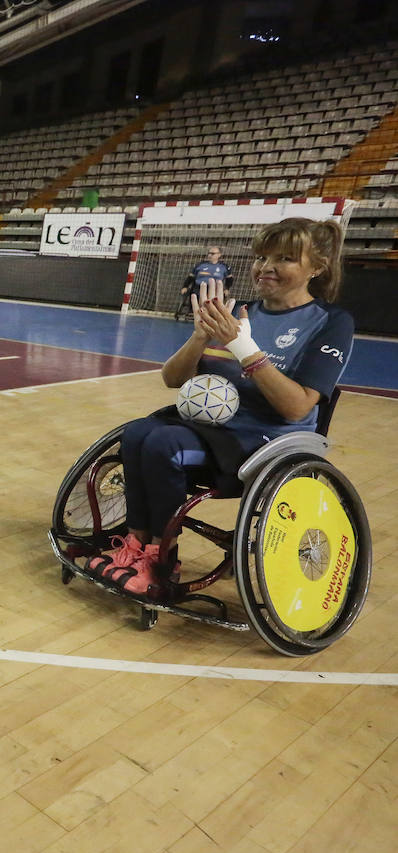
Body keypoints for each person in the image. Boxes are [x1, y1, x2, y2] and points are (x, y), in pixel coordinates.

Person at [86, 218, 353, 595]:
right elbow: (172, 379)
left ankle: (162, 560)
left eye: (285, 258)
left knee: (163, 445)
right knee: (138, 433)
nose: (266, 267)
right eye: (261, 256)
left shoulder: (330, 322)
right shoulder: (240, 312)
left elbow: (296, 408)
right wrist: (200, 337)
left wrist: (244, 349)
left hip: (268, 440)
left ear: (317, 267)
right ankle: (136, 545)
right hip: (216, 430)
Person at [177, 245, 234, 319]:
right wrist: (185, 286)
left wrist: (227, 289)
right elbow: (191, 277)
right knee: (194, 292)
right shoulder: (200, 265)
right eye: (209, 253)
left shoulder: (223, 266)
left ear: (219, 255)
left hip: (214, 288)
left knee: (215, 296)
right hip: (199, 286)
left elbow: (229, 279)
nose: (210, 255)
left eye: (213, 253)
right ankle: (194, 311)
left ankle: (212, 313)